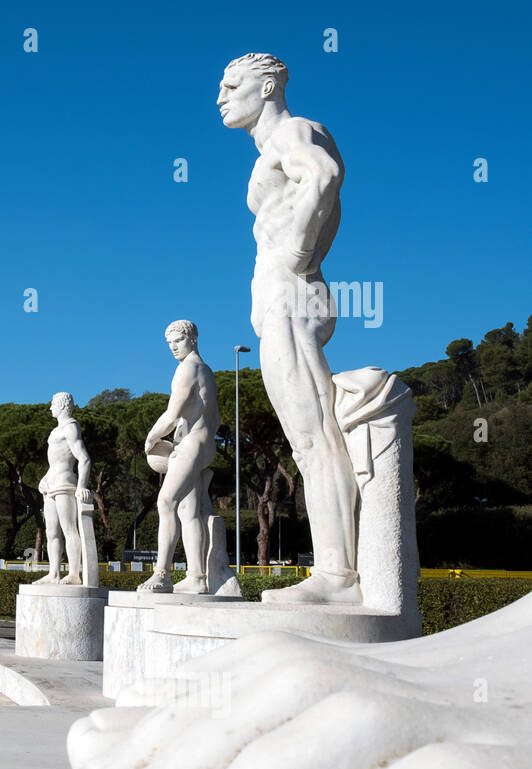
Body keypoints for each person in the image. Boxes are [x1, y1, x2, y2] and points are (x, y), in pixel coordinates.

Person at [218, 52, 360, 603]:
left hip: (289, 291)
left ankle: (337, 575)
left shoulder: (292, 132)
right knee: (308, 436)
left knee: (313, 435)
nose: (221, 97)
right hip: (284, 294)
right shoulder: (282, 143)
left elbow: (324, 176)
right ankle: (337, 569)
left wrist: (299, 252)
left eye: (232, 85)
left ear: (269, 84)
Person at [138, 322, 219, 593]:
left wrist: (151, 437)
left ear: (193, 339)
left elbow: (173, 414)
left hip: (192, 443)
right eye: (169, 342)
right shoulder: (204, 370)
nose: (173, 347)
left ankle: (162, 574)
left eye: (178, 340)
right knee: (188, 510)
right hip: (198, 443)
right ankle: (197, 577)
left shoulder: (189, 369)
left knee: (166, 501)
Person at [35, 392, 92, 585]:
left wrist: (82, 486)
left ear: (61, 406)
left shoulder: (71, 427)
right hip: (51, 484)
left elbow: (84, 459)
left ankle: (75, 574)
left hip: (65, 482)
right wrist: (44, 478)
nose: (50, 407)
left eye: (52, 404)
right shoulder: (55, 431)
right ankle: (54, 573)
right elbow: (54, 463)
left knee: (69, 529)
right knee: (51, 532)